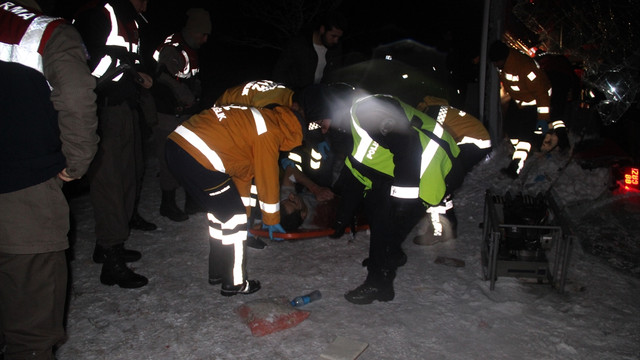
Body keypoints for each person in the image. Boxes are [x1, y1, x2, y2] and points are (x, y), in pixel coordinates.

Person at [0, 1, 99, 358]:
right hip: (23, 191)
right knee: (30, 326)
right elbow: (75, 96)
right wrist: (75, 162)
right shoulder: (44, 31)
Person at [332, 94, 464, 305]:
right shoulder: (352, 127)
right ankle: (389, 257)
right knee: (380, 218)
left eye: (319, 122)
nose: (320, 128)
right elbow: (354, 175)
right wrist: (342, 217)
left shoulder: (367, 113)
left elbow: (407, 146)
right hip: (408, 170)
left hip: (431, 169)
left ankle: (378, 283)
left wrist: (403, 202)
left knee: (388, 229)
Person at [164, 104, 303, 296]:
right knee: (233, 218)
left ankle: (218, 272)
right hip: (198, 156)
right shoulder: (269, 132)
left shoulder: (258, 121)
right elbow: (267, 176)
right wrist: (271, 219)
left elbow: (242, 175)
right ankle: (235, 283)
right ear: (296, 133)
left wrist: (245, 215)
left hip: (177, 148)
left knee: (221, 215)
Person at [73, 0, 152, 288]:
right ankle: (112, 258)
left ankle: (107, 245)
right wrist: (122, 69)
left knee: (129, 175)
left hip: (126, 104)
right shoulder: (98, 12)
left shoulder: (129, 19)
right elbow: (84, 63)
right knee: (110, 181)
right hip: (104, 107)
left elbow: (126, 60)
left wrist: (136, 74)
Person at [151, 7, 211, 222]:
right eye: (203, 34)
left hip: (185, 114)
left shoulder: (190, 48)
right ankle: (167, 203)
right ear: (194, 30)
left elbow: (191, 79)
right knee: (169, 158)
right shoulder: (173, 47)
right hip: (167, 113)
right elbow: (166, 79)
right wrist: (189, 99)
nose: (205, 39)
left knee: (190, 156)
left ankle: (191, 200)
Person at [413, 95, 492, 245]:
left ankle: (439, 231)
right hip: (474, 142)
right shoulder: (438, 109)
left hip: (471, 143)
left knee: (436, 183)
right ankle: (449, 227)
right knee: (443, 183)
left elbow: (427, 140)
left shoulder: (431, 113)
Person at [488, 40, 569, 178]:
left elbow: (541, 93)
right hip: (521, 101)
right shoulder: (503, 65)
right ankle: (525, 148)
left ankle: (515, 167)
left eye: (497, 62)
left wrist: (542, 118)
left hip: (536, 100)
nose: (495, 65)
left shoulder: (525, 67)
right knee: (512, 128)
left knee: (526, 135)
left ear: (503, 58)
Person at [272, 10, 347, 92]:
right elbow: (279, 73)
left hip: (320, 98)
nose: (336, 40)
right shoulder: (299, 44)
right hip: (294, 97)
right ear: (322, 30)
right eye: (333, 36)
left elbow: (336, 76)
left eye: (338, 37)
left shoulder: (335, 49)